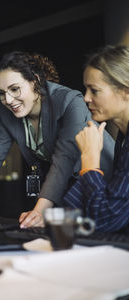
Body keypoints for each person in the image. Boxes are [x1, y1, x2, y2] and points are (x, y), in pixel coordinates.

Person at [0, 51, 114, 227]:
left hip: (105, 183)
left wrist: (39, 211)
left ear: (35, 81)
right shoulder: (7, 116)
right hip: (69, 190)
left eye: (14, 89)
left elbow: (64, 159)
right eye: (1, 93)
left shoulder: (69, 101)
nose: (8, 100)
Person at [63, 44, 129, 232]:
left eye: (94, 90)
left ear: (125, 90)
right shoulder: (122, 139)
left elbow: (105, 220)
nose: (86, 98)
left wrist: (90, 159)